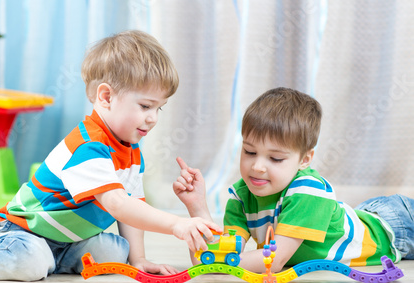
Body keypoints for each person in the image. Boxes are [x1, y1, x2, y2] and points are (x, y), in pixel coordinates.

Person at [0, 30, 221, 281]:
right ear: (106, 96)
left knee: (118, 252)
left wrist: (138, 260)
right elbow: (117, 204)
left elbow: (134, 202)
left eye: (159, 108)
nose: (153, 118)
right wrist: (176, 225)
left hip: (69, 240)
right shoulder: (88, 147)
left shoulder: (131, 148)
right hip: (23, 230)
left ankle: (54, 260)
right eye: (145, 106)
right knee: (29, 264)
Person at [173, 87, 413, 273]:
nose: (257, 167)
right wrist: (198, 208)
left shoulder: (308, 190)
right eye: (249, 152)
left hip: (394, 226)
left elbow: (274, 261)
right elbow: (209, 258)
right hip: (365, 218)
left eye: (275, 158)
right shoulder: (242, 194)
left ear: (304, 160)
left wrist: (219, 267)